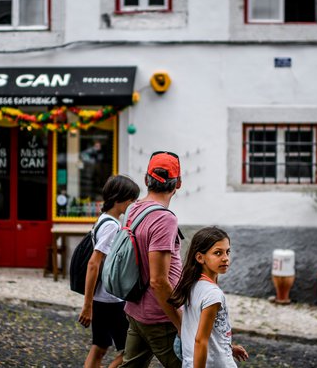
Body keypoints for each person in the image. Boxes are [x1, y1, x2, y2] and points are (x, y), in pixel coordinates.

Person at [119, 151, 184, 368]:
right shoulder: (164, 219)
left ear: (147, 180)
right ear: (179, 183)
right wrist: (181, 323)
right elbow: (158, 281)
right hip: (160, 317)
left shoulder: (133, 209)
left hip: (135, 308)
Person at [78, 175, 141, 368]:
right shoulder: (112, 226)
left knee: (100, 346)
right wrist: (87, 305)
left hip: (102, 298)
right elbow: (93, 263)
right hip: (110, 300)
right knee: (130, 350)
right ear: (118, 199)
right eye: (131, 199)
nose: (133, 204)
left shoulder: (104, 220)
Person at [168, 227, 249, 368]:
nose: (225, 258)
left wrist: (228, 349)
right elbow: (200, 341)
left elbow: (206, 332)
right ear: (200, 257)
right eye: (218, 253)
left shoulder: (192, 284)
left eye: (227, 252)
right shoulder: (213, 294)